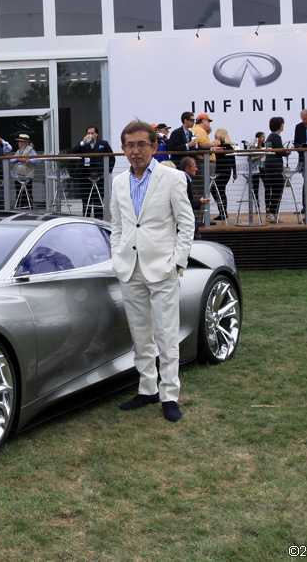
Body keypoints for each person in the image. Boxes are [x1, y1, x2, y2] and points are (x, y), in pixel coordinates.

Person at [111, 120, 195, 422]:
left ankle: (169, 395)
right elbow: (118, 225)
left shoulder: (172, 178)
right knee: (140, 335)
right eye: (130, 145)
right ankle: (147, 389)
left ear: (154, 147)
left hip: (163, 269)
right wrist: (117, 258)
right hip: (129, 269)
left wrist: (177, 261)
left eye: (142, 145)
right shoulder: (118, 182)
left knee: (166, 334)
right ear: (123, 149)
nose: (136, 151)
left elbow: (186, 224)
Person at [71, 126, 115, 219]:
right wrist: (83, 142)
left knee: (98, 200)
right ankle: (86, 220)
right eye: (88, 133)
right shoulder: (83, 145)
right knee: (86, 201)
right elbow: (72, 152)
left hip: (100, 176)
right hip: (85, 176)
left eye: (92, 133)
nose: (90, 135)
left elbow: (112, 158)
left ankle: (99, 221)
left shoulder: (103, 144)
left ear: (97, 134)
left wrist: (107, 172)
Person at [177, 156, 208, 239]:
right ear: (187, 168)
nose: (196, 169)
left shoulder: (184, 179)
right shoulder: (184, 181)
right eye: (194, 167)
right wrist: (200, 202)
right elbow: (185, 203)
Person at [264, 117, 287, 223]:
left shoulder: (270, 136)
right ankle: (272, 213)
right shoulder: (275, 136)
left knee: (275, 189)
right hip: (275, 167)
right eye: (282, 123)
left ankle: (272, 212)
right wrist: (287, 152)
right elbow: (280, 151)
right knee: (278, 188)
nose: (283, 125)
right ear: (279, 125)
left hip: (269, 166)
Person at [212, 128, 237, 221]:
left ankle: (223, 212)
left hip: (219, 171)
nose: (214, 135)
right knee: (221, 190)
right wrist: (234, 172)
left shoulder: (218, 146)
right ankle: (223, 211)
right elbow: (233, 160)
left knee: (218, 191)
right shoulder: (229, 147)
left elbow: (232, 159)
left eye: (215, 134)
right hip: (227, 172)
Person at [11, 133, 38, 207]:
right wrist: (17, 158)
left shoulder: (30, 150)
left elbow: (37, 159)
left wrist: (30, 161)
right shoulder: (18, 151)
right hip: (18, 175)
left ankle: (28, 207)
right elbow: (11, 159)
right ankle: (20, 206)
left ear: (24, 142)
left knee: (27, 192)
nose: (18, 143)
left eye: (19, 141)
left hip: (27, 175)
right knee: (18, 192)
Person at [248, 132, 266, 214]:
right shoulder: (253, 146)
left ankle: (268, 207)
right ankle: (257, 207)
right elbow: (250, 158)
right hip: (255, 168)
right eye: (262, 137)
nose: (264, 138)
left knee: (267, 186)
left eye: (264, 137)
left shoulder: (265, 146)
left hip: (264, 167)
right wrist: (260, 156)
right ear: (258, 138)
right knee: (255, 188)